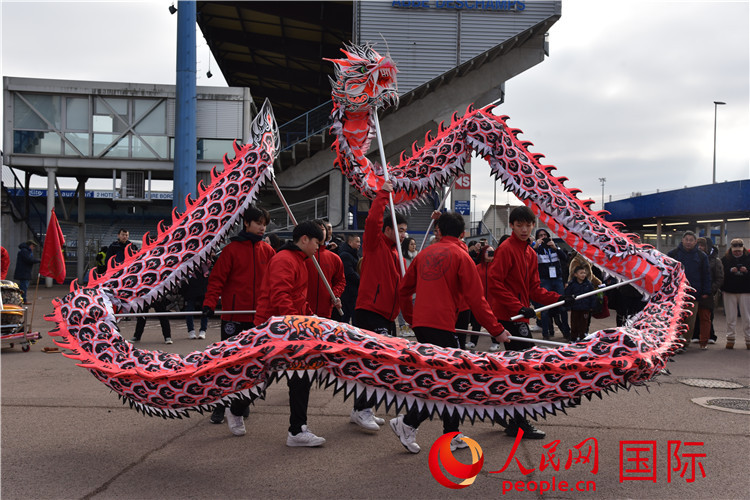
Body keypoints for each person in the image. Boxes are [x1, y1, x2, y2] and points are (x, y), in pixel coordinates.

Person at [390, 211, 508, 454]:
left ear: (438, 231)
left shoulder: (423, 254)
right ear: (463, 234)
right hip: (442, 325)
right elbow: (477, 300)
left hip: (425, 325)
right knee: (450, 380)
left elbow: (403, 290)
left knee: (446, 379)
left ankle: (448, 433)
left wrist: (413, 319)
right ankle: (411, 423)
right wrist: (497, 330)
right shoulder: (461, 256)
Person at [487, 206, 575, 439]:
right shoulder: (506, 250)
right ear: (512, 226)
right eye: (519, 225)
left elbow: (535, 289)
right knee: (524, 369)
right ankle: (517, 421)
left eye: (528, 225)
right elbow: (495, 283)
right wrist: (517, 306)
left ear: (533, 226)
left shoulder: (530, 254)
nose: (524, 229)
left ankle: (505, 413)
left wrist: (560, 298)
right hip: (508, 317)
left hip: (520, 315)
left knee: (516, 369)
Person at [237, 220, 325, 447]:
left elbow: (298, 300)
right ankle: (235, 408)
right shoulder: (285, 260)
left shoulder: (299, 261)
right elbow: (280, 295)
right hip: (274, 330)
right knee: (263, 377)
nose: (319, 247)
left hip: (288, 329)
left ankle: (297, 430)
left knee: (300, 378)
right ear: (304, 239)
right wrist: (297, 325)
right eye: (317, 242)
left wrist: (311, 319)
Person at [202, 205, 275, 424]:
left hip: (258, 317)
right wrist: (209, 303)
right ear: (246, 223)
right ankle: (219, 405)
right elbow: (216, 280)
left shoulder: (268, 251)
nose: (262, 228)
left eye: (264, 224)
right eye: (258, 223)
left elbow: (275, 283)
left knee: (252, 364)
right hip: (234, 315)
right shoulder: (231, 251)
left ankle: (240, 402)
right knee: (228, 363)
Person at [350, 180, 409, 432]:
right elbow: (372, 220)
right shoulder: (374, 245)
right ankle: (361, 409)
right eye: (399, 229)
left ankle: (363, 408)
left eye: (405, 230)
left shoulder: (396, 254)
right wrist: (383, 194)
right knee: (371, 363)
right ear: (387, 229)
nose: (403, 234)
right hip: (369, 313)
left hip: (386, 316)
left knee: (381, 364)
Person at [667, 231, 711, 350]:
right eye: (686, 239)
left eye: (691, 240)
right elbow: (666, 273)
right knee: (675, 319)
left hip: (693, 294)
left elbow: (706, 275)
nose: (688, 242)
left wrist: (706, 291)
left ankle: (684, 343)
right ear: (682, 240)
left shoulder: (702, 256)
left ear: (695, 242)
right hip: (676, 293)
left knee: (689, 321)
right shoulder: (673, 254)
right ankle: (673, 342)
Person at [533, 229, 571, 340]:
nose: (543, 237)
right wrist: (535, 247)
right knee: (545, 308)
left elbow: (565, 258)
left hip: (557, 279)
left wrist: (556, 248)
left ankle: (566, 332)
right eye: (540, 235)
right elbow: (527, 258)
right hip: (545, 280)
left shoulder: (554, 247)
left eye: (545, 235)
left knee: (562, 305)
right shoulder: (537, 249)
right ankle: (546, 333)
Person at [306, 219, 345, 319]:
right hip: (303, 312)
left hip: (326, 312)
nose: (320, 232)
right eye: (316, 229)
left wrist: (335, 295)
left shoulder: (334, 258)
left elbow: (340, 281)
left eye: (322, 229)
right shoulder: (303, 256)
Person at [693, 237, 723, 345]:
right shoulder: (694, 258)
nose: (700, 247)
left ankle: (709, 336)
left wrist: (711, 289)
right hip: (695, 291)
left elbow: (719, 278)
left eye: (703, 245)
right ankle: (695, 335)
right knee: (695, 315)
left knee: (707, 315)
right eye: (699, 245)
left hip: (709, 292)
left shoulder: (715, 260)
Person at [721, 238, 750, 350]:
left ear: (743, 249)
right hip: (729, 290)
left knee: (747, 316)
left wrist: (746, 271)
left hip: (746, 291)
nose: (737, 253)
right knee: (730, 316)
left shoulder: (749, 258)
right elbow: (721, 273)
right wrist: (729, 271)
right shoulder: (725, 260)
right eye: (735, 251)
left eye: (739, 251)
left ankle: (748, 339)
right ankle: (730, 339)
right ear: (731, 249)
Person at [467, 244, 495, 350]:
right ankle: (473, 342)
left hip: (493, 300)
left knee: (493, 322)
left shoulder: (497, 267)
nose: (490, 254)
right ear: (483, 254)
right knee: (476, 322)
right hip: (480, 299)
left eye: (492, 252)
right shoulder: (477, 268)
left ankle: (495, 342)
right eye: (488, 252)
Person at [566, 265, 597, 342]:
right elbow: (567, 295)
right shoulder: (572, 284)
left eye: (584, 273)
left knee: (583, 324)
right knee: (574, 324)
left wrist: (592, 306)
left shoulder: (588, 284)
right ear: (575, 274)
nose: (583, 275)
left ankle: (582, 338)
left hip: (585, 308)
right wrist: (568, 306)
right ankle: (573, 338)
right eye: (581, 273)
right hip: (575, 308)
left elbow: (592, 296)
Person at [182, 261, 210, 339]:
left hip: (203, 288)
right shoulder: (188, 261)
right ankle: (191, 331)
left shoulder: (206, 261)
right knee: (189, 310)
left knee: (205, 310)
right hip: (190, 289)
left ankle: (203, 330)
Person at [338, 233, 361, 323]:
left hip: (353, 291)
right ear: (350, 242)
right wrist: (361, 281)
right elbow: (350, 273)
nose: (359, 244)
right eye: (357, 242)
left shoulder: (354, 255)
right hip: (348, 293)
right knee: (347, 317)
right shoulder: (345, 255)